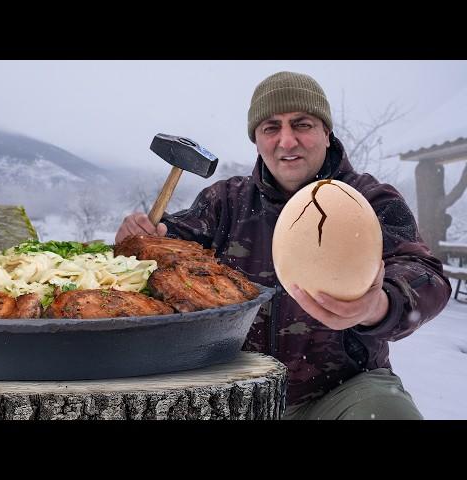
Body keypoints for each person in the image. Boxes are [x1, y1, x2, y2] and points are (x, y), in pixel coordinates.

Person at [115, 71, 452, 420]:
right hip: (235, 389)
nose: (287, 141)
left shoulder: (370, 200)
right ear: (257, 139)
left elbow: (426, 276)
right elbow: (166, 251)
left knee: (387, 413)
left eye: (302, 124)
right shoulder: (225, 202)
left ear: (326, 131)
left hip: (343, 390)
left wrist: (377, 305)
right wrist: (137, 240)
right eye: (271, 127)